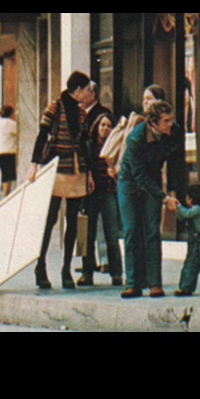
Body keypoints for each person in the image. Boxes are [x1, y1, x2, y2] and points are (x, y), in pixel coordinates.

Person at [27, 71, 94, 290]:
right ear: (78, 90)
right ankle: (40, 266)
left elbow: (84, 144)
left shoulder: (82, 113)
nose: (89, 93)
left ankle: (66, 269)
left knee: (73, 221)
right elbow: (42, 135)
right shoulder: (55, 107)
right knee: (50, 220)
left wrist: (89, 173)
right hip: (55, 169)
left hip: (76, 169)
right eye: (87, 90)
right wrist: (34, 164)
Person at [118, 100, 183, 298]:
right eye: (165, 121)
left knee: (152, 231)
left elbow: (176, 163)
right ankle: (133, 283)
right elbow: (139, 174)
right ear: (153, 123)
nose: (170, 124)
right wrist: (164, 197)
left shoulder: (174, 132)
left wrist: (173, 190)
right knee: (131, 230)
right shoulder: (136, 138)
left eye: (171, 119)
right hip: (129, 180)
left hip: (153, 177)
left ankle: (155, 283)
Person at [78, 113, 123, 287]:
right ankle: (87, 273)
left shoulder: (115, 146)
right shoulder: (89, 145)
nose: (105, 129)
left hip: (108, 192)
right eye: (103, 125)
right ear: (97, 127)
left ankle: (116, 273)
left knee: (111, 234)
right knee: (88, 235)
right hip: (91, 194)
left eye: (109, 126)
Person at [174, 184, 200, 296]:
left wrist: (178, 205)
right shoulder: (194, 209)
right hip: (193, 240)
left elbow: (185, 214)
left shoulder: (197, 209)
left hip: (199, 241)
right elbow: (181, 216)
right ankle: (184, 286)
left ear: (192, 198)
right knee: (189, 262)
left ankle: (186, 287)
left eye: (187, 197)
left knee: (192, 265)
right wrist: (176, 209)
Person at [0, 105, 17, 197]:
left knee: (6, 178)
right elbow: (21, 131)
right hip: (8, 153)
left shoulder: (0, 123)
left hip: (1, 153)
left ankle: (5, 196)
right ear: (11, 114)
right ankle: (5, 197)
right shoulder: (9, 123)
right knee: (8, 179)